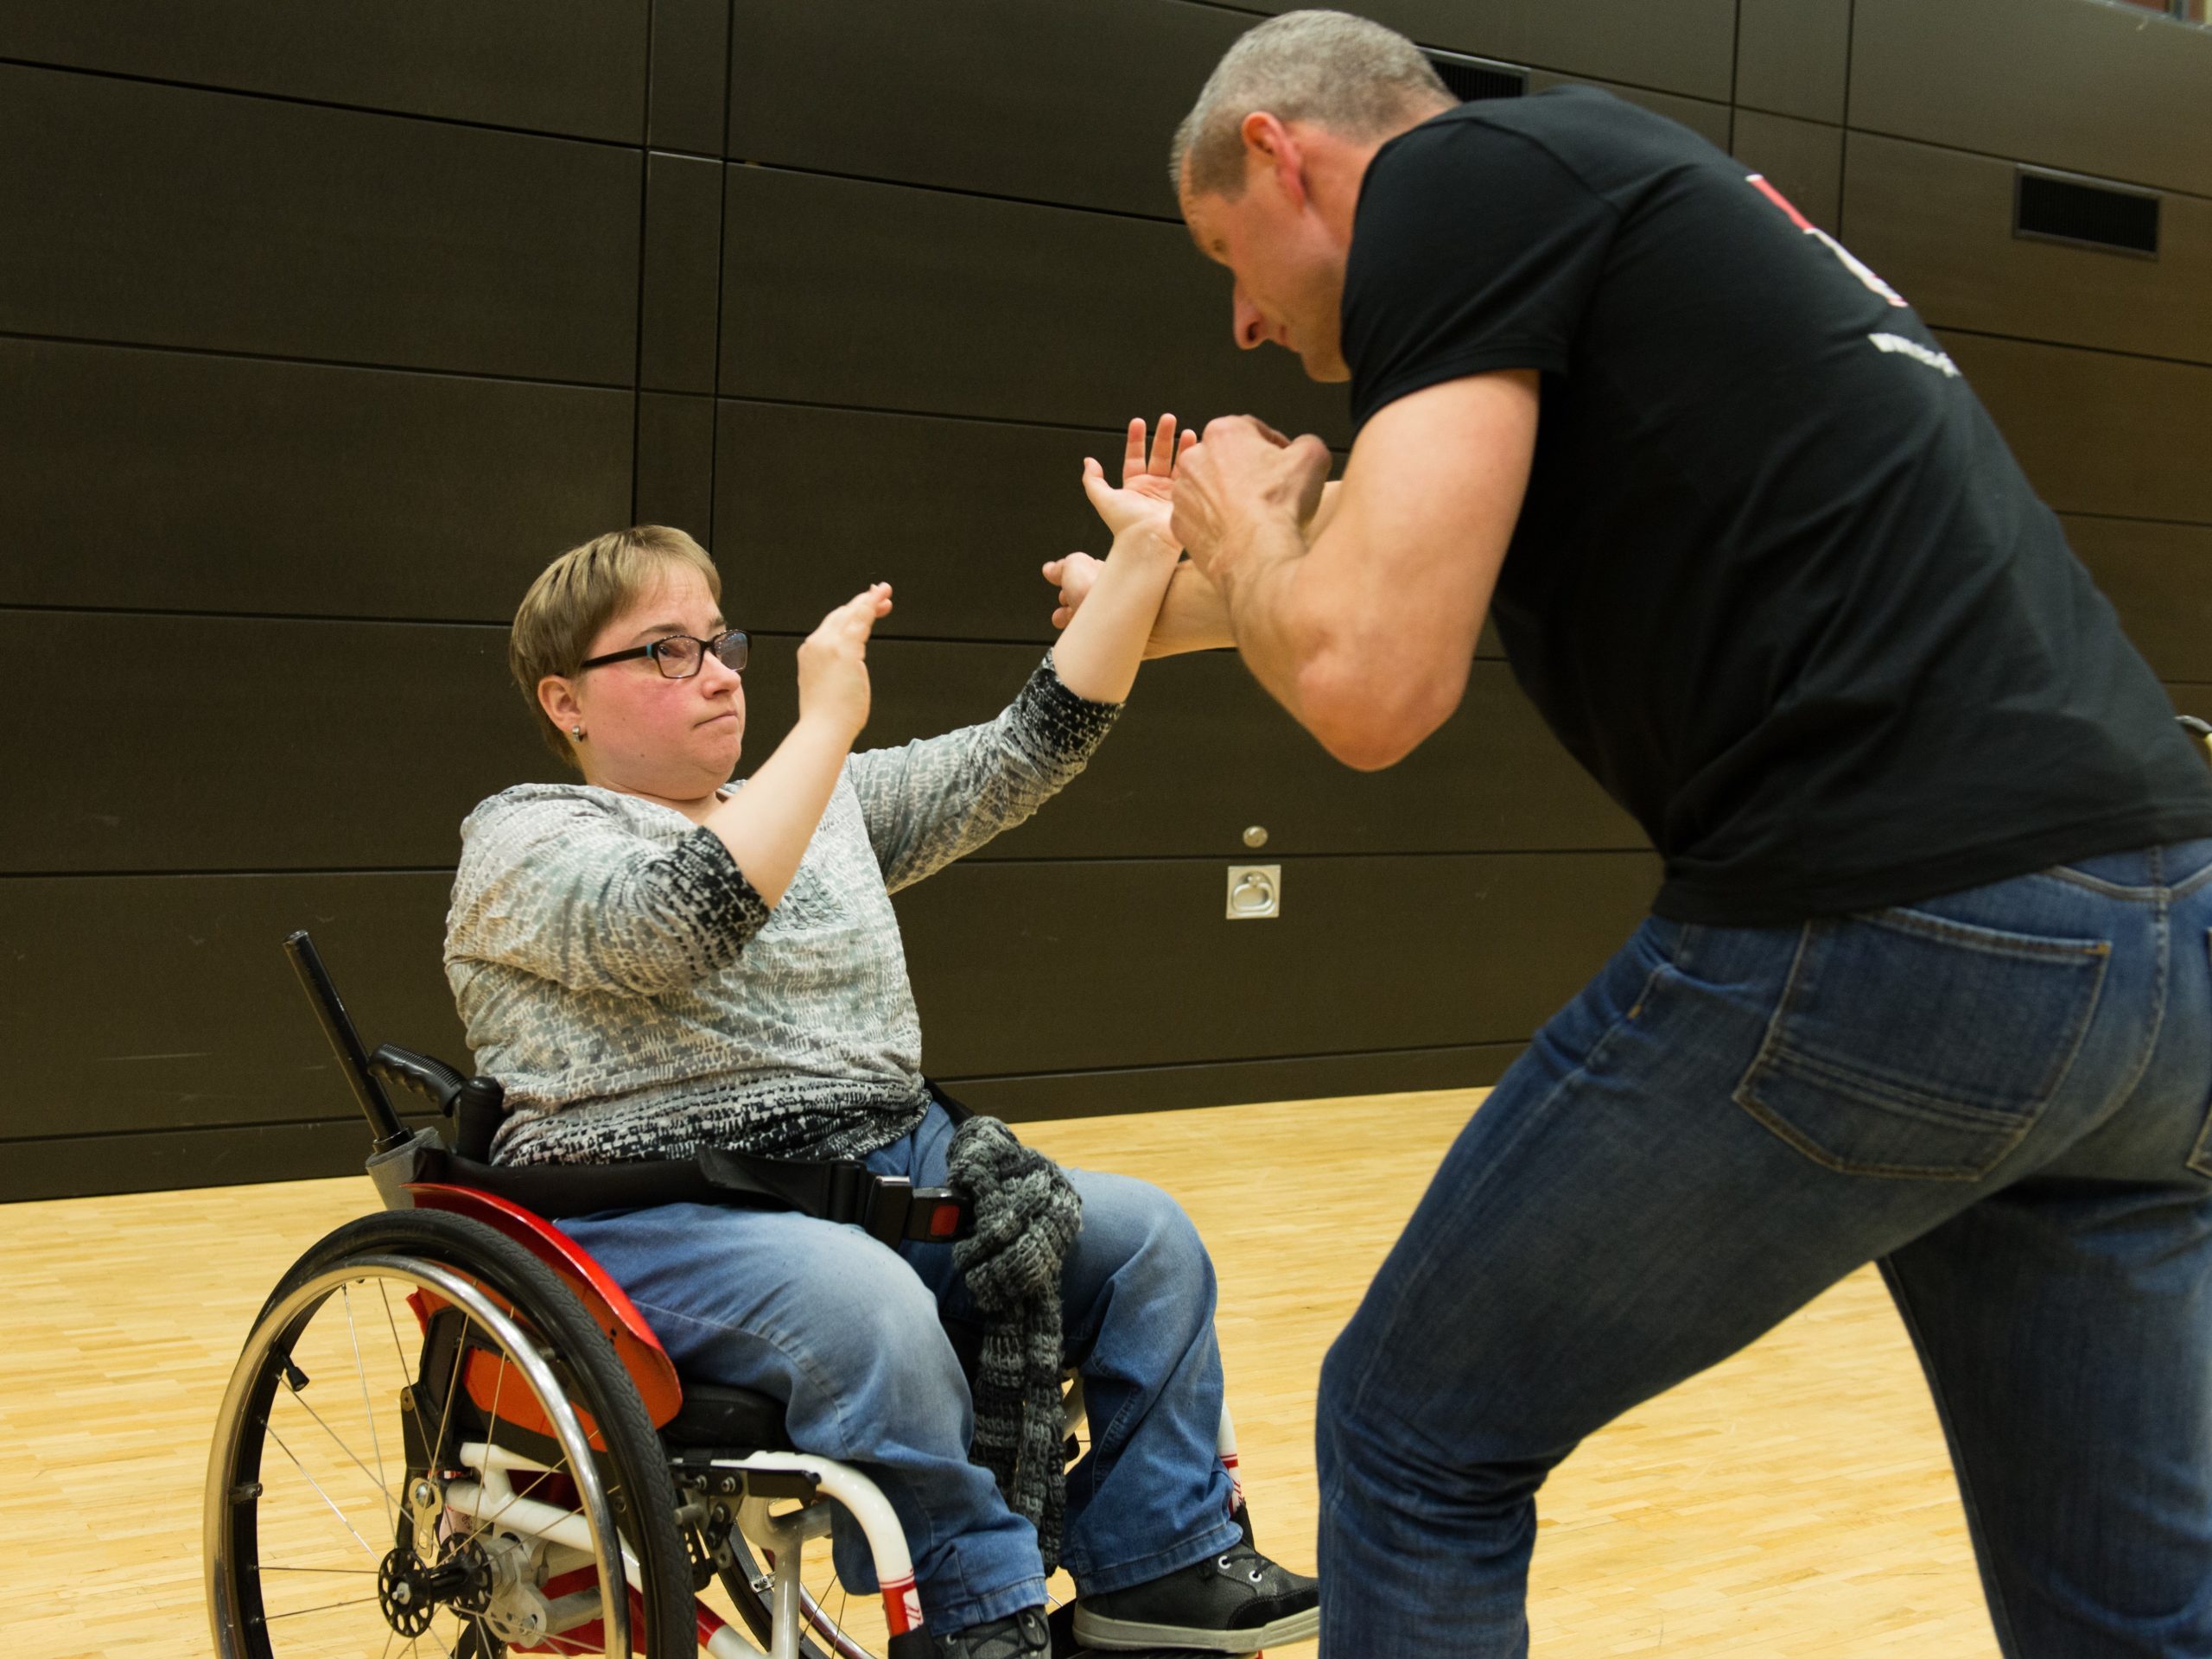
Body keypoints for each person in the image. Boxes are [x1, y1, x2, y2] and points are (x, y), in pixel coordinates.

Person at [1059, 10, 2212, 1656]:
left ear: (1278, 152)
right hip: (2158, 948)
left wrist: (1246, 518)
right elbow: (1379, 583)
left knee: (1413, 1434)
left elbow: (1372, 687)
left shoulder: (1453, 184)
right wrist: (1198, 584)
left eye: (1226, 257)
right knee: (2128, 1615)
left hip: (1904, 921)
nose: (1242, 322)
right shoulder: (1602, 201)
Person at [442, 426, 1319, 1659]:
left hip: (879, 1176)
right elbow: (678, 922)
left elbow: (1025, 751)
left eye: (721, 642)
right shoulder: (527, 836)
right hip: (654, 1216)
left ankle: (1157, 1564)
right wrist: (826, 729)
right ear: (564, 699)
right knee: (869, 1314)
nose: (719, 674)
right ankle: (979, 1619)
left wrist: (1139, 559)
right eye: (666, 652)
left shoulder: (810, 803)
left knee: (1147, 1244)